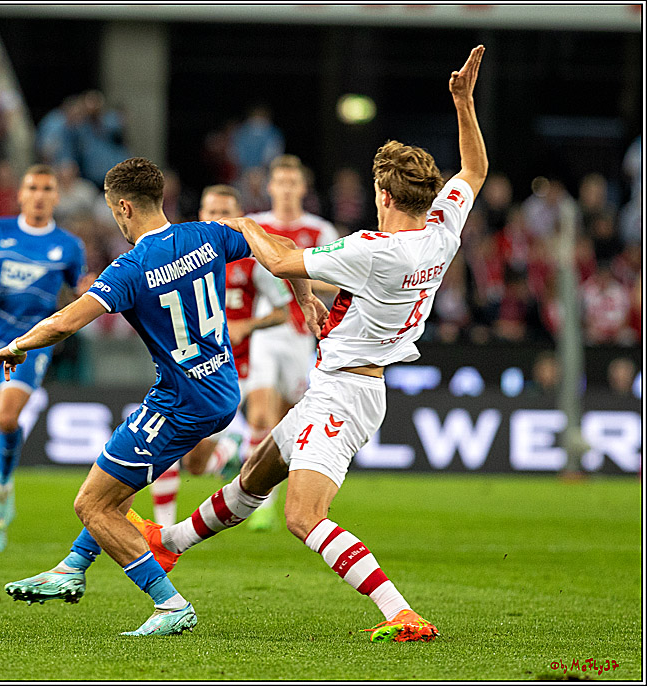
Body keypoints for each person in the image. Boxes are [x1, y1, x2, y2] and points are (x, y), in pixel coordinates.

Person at [129, 46, 488, 644]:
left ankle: (401, 612)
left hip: (345, 394)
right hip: (343, 384)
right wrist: (463, 103)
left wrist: (241, 224)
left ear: (384, 196)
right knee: (255, 475)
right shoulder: (442, 229)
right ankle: (169, 542)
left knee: (302, 516)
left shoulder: (374, 250)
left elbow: (281, 260)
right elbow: (473, 171)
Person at [0, 157, 312, 636]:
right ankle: (72, 567)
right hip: (221, 386)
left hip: (181, 400)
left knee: (92, 504)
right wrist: (304, 296)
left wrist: (17, 345)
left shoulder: (130, 268)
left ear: (123, 207)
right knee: (116, 483)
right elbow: (282, 248)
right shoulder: (205, 235)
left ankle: (170, 604)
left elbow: (65, 322)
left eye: (112, 211)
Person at [0, 164, 88, 554]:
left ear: (56, 196)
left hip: (31, 342)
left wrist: (88, 289)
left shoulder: (69, 245)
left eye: (47, 188)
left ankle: (4, 484)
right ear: (21, 194)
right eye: (33, 188)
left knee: (7, 418)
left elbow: (81, 289)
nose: (39, 195)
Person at [149, 184, 292, 527]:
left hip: (232, 368)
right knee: (194, 464)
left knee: (171, 441)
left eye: (225, 213)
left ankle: (165, 530)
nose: (218, 218)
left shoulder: (251, 260)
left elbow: (282, 312)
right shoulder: (180, 256)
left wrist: (247, 325)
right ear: (201, 215)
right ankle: (229, 451)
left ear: (239, 217)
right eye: (212, 212)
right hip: (187, 365)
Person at [241, 153, 340, 531]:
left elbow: (337, 279)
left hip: (302, 334)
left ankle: (265, 493)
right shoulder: (257, 226)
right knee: (260, 414)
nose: (285, 189)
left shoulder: (319, 231)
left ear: (302, 187)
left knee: (285, 423)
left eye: (291, 182)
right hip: (266, 331)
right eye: (279, 182)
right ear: (270, 187)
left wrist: (296, 275)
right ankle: (255, 502)